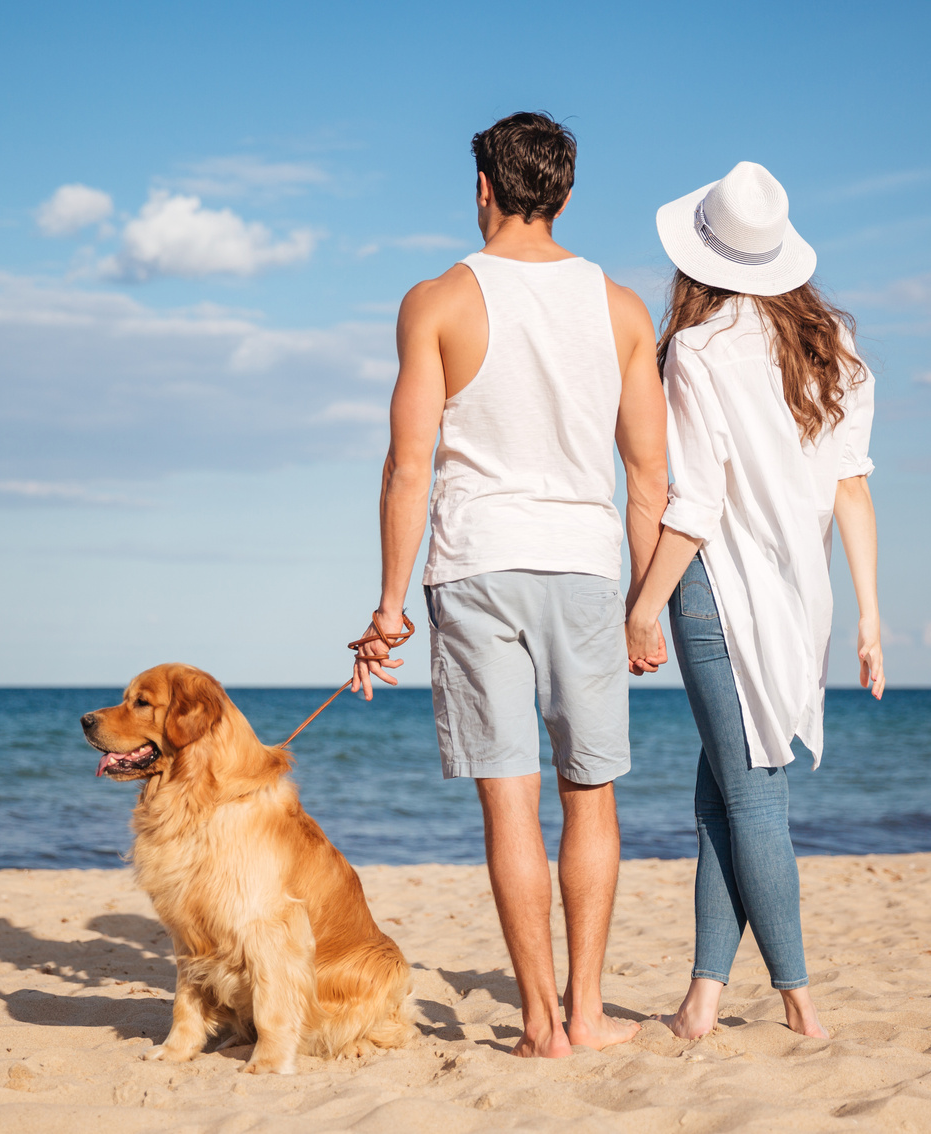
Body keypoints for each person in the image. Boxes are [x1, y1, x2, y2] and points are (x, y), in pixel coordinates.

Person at [351, 112, 670, 1058]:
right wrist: (645, 607)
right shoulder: (620, 308)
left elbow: (408, 468)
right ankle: (587, 1011)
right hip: (582, 564)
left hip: (476, 564)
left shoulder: (435, 302)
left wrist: (388, 605)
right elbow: (649, 478)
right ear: (565, 195)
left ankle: (539, 1025)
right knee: (591, 797)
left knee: (508, 798)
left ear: (483, 187)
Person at [625, 161, 885, 1041]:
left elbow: (694, 507)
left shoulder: (698, 354)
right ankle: (703, 997)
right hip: (800, 605)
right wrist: (871, 618)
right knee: (722, 794)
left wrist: (641, 606)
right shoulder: (837, 354)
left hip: (718, 601)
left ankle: (798, 1003)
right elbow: (853, 490)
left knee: (754, 800)